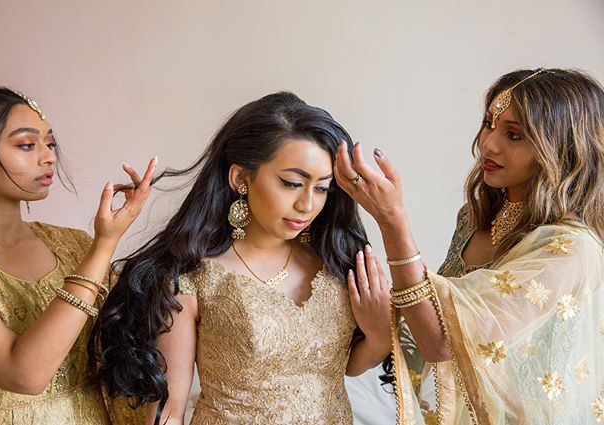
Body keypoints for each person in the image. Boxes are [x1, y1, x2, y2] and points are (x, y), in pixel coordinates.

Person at [89, 92, 393, 424]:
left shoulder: (337, 263)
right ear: (240, 178)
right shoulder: (193, 278)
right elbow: (168, 413)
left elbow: (343, 366)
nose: (308, 205)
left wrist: (378, 334)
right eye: (292, 183)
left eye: (322, 188)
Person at [334, 68, 604, 424]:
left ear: (562, 147)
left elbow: (442, 343)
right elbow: (431, 321)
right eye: (489, 123)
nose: (489, 143)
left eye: (514, 134)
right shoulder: (475, 217)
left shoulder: (571, 250)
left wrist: (392, 220)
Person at [0, 87, 156, 424]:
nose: (49, 156)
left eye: (49, 143)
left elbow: (127, 344)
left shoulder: (74, 244)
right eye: (26, 145)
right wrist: (105, 245)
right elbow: (24, 374)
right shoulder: (92, 249)